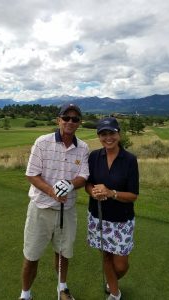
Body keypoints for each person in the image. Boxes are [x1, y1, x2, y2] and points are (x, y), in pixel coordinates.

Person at [19, 103, 89, 300]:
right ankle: (25, 294)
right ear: (58, 120)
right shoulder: (42, 142)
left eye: (75, 119)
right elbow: (32, 175)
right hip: (40, 209)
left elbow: (83, 176)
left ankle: (62, 288)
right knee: (31, 256)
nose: (70, 122)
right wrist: (52, 191)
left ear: (79, 123)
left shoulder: (83, 147)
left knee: (63, 252)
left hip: (67, 210)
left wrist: (70, 184)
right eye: (66, 118)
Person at [85, 117, 139, 300]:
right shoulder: (94, 156)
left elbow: (133, 195)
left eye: (112, 133)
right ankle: (115, 293)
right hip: (98, 217)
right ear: (99, 137)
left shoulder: (130, 160)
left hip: (121, 220)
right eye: (103, 134)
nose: (108, 137)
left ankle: (113, 281)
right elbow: (88, 183)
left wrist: (111, 193)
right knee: (106, 257)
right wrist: (92, 191)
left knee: (121, 265)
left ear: (119, 134)